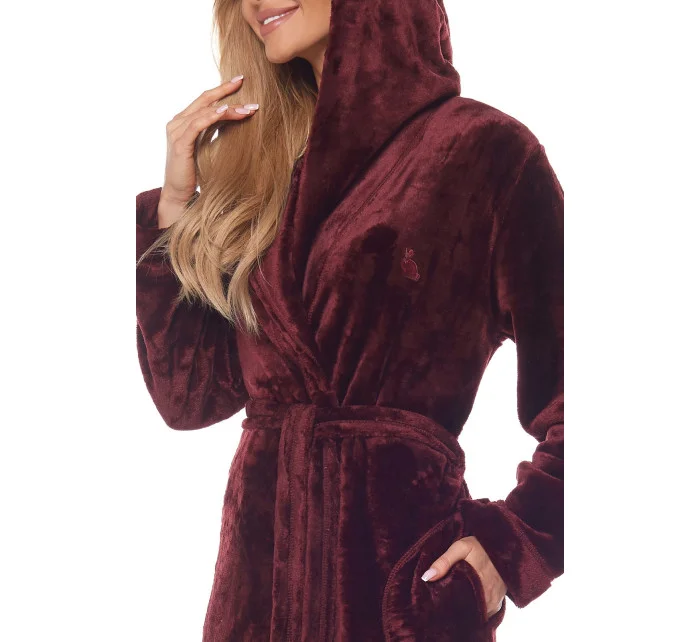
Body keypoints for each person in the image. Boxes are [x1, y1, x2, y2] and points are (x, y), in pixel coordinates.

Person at [135, 0, 564, 640]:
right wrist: (175, 206)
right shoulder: (266, 172)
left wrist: (513, 545)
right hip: (256, 600)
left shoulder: (486, 153)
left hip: (399, 591)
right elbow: (188, 397)